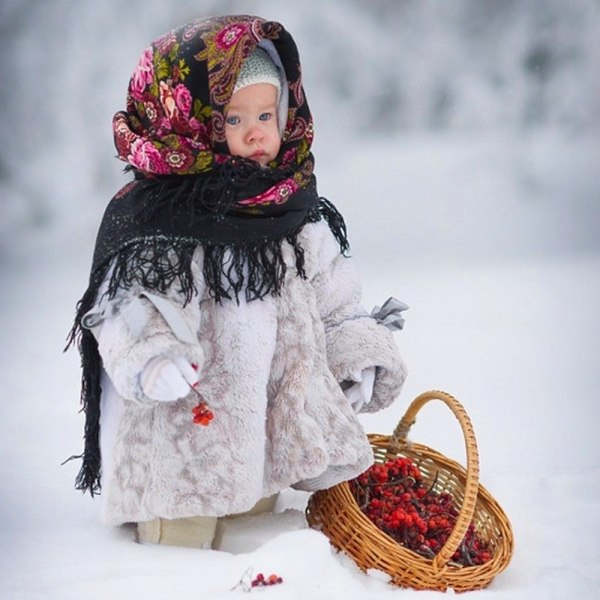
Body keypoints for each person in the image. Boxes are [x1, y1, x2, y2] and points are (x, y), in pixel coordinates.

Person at [67, 14, 408, 549]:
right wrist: (153, 357)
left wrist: (354, 357)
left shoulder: (293, 213)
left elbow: (335, 302)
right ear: (187, 121)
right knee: (180, 563)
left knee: (265, 549)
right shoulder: (162, 223)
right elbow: (128, 306)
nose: (256, 132)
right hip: (182, 448)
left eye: (267, 114)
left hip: (270, 450)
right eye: (232, 118)